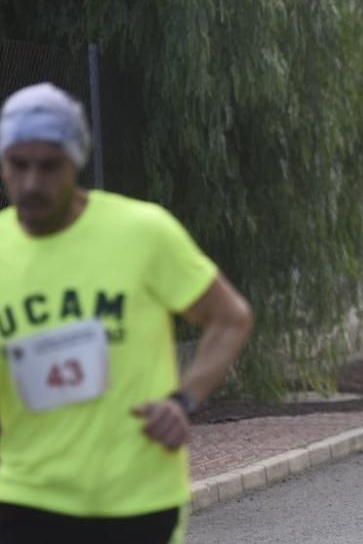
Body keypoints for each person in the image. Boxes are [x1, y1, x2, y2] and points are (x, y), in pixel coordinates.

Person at [0, 83, 254, 544]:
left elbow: (229, 317)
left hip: (136, 495)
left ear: (75, 161)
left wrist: (185, 401)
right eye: (18, 165)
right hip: (25, 496)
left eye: (49, 166)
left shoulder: (142, 232)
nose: (32, 183)